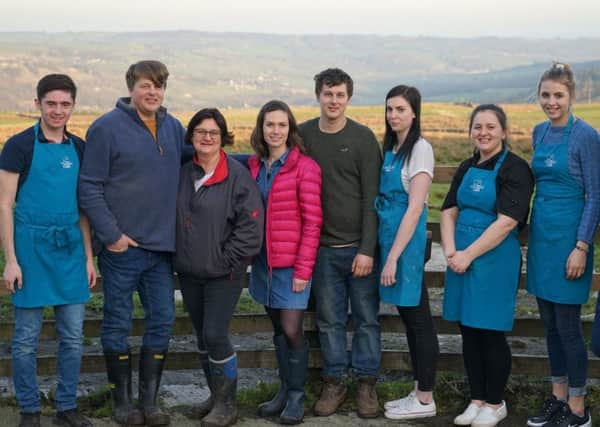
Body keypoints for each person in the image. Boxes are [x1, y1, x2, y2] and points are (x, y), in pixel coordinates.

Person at [78, 60, 188, 426]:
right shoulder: (106, 128)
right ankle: (122, 403)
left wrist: (257, 160)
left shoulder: (173, 128)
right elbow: (89, 186)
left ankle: (150, 403)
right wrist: (111, 236)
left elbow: (202, 159)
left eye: (158, 86)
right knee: (116, 323)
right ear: (131, 88)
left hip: (161, 250)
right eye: (145, 85)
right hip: (121, 249)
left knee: (163, 320)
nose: (152, 92)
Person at [0, 74, 95, 427]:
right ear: (37, 103)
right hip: (30, 249)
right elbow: (4, 204)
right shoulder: (18, 146)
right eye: (51, 103)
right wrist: (11, 260)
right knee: (25, 339)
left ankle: (66, 407)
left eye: (65, 104)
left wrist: (88, 257)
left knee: (72, 336)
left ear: (73, 106)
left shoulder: (80, 148)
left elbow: (83, 208)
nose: (58, 110)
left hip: (70, 249)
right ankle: (28, 409)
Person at [441, 104, 534, 427]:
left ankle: (495, 403)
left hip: (493, 260)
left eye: (491, 127)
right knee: (468, 331)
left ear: (504, 132)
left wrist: (468, 255)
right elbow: (448, 209)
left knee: (490, 332)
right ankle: (476, 399)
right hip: (460, 259)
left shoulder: (516, 169)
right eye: (478, 126)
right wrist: (452, 251)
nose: (483, 132)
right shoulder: (466, 166)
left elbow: (507, 222)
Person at [298, 68, 382, 418]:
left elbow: (371, 199)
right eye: (328, 94)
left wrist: (366, 248)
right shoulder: (302, 135)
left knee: (365, 319)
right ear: (318, 95)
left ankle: (365, 384)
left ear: (348, 98)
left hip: (356, 249)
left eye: (340, 95)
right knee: (329, 320)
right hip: (321, 250)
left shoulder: (362, 138)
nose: (333, 101)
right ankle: (334, 381)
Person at [174, 108, 263, 427]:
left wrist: (225, 261)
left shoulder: (237, 177)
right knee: (202, 336)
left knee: (215, 333)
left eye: (213, 132)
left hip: (224, 273)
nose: (207, 137)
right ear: (192, 137)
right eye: (200, 132)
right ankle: (215, 397)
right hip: (189, 271)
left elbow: (250, 229)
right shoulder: (184, 173)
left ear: (223, 137)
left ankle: (228, 404)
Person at [526, 62, 600, 427]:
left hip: (571, 241)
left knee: (569, 327)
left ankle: (578, 407)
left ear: (571, 96)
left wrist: (582, 245)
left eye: (558, 95)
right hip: (542, 239)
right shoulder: (538, 132)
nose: (551, 102)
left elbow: (595, 196)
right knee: (550, 325)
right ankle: (557, 398)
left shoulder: (587, 136)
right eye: (545, 95)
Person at [247, 100, 322, 424]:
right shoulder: (253, 166)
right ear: (261, 129)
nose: (275, 131)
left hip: (292, 265)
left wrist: (304, 270)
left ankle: (296, 396)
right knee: (278, 329)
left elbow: (313, 222)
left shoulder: (305, 167)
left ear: (290, 129)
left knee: (292, 329)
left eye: (281, 125)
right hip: (265, 264)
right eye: (269, 125)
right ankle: (283, 391)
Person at [374, 85, 439, 420]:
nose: (394, 115)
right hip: (389, 237)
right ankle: (418, 392)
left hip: (406, 245)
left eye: (400, 109)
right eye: (389, 109)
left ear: (414, 112)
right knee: (410, 319)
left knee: (419, 319)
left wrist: (393, 257)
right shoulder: (392, 147)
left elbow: (414, 210)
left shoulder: (420, 149)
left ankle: (426, 399)